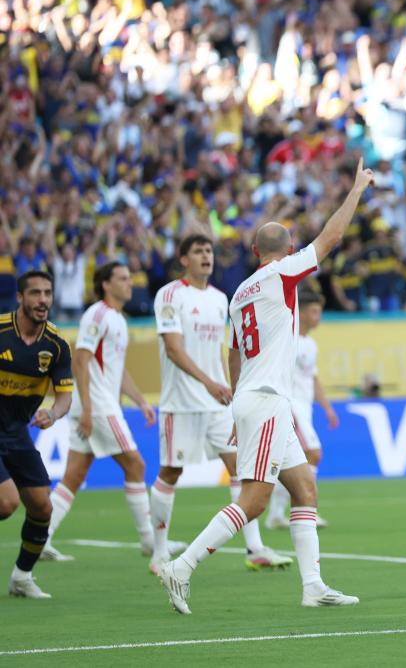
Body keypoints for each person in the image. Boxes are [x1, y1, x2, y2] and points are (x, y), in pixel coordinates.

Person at [158, 158, 374, 614]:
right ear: (289, 249)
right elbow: (331, 238)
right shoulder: (283, 275)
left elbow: (233, 354)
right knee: (254, 501)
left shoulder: (239, 294)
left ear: (255, 250)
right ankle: (182, 566)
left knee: (304, 488)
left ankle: (313, 586)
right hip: (268, 401)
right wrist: (355, 191)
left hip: (253, 399)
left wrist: (238, 406)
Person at [150, 234, 291, 574]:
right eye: (198, 251)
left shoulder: (219, 298)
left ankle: (255, 548)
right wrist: (208, 382)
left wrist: (228, 387)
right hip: (182, 401)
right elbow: (173, 349)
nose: (206, 256)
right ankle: (158, 553)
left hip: (217, 402)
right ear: (184, 259)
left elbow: (228, 351)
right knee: (170, 472)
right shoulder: (170, 295)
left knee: (241, 468)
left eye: (208, 251)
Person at [43, 262, 163, 562]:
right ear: (105, 284)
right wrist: (87, 407)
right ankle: (149, 541)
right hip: (97, 406)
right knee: (135, 465)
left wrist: (141, 401)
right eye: (122, 278)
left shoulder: (118, 319)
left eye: (129, 277)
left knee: (73, 476)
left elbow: (117, 370)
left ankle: (40, 539)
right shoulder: (97, 315)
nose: (130, 283)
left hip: (96, 405)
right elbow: (79, 360)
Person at [1, 272, 73, 598]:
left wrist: (53, 414)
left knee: (43, 508)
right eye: (35, 293)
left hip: (17, 433)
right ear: (20, 297)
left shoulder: (56, 345)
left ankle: (21, 578)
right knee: (7, 502)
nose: (43, 300)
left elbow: (64, 397)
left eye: (47, 293)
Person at [265, 288, 339, 530]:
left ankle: (276, 514)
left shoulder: (311, 344)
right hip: (290, 405)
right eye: (315, 311)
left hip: (305, 408)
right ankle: (307, 509)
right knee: (313, 453)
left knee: (289, 461)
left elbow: (313, 379)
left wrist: (327, 408)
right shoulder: (288, 340)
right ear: (303, 313)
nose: (319, 316)